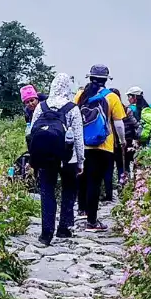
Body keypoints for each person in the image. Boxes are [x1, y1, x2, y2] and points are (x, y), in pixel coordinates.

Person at [26, 73, 84, 246]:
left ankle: (46, 234)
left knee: (47, 192)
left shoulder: (41, 106)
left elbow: (31, 134)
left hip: (44, 156)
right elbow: (79, 138)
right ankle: (64, 228)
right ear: (67, 87)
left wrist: (33, 158)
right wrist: (80, 161)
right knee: (68, 189)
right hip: (68, 157)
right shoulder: (72, 108)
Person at [73, 65, 128, 232]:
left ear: (90, 78)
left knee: (82, 179)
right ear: (106, 79)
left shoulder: (80, 95)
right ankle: (92, 221)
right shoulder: (112, 97)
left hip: (82, 144)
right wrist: (122, 141)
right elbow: (118, 123)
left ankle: (82, 210)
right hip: (104, 146)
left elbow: (73, 117)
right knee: (95, 182)